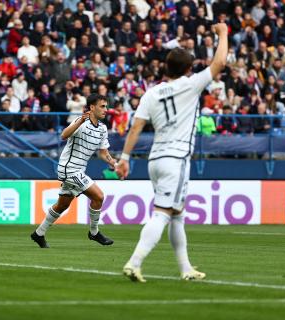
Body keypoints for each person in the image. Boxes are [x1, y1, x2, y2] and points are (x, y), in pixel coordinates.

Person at [116, 23, 229, 282]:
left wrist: (124, 159)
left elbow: (135, 127)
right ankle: (134, 263)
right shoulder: (191, 85)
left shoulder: (151, 93)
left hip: (155, 159)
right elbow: (220, 61)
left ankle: (186, 268)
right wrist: (222, 32)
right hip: (176, 159)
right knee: (163, 213)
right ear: (189, 69)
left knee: (178, 214)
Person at [31, 94, 116, 248]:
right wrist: (80, 121)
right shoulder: (81, 121)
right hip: (69, 169)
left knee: (62, 205)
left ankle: (39, 233)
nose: (106, 109)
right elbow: (63, 135)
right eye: (102, 106)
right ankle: (94, 232)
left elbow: (103, 153)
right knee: (98, 196)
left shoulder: (103, 129)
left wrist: (114, 162)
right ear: (92, 107)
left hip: (79, 171)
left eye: (106, 106)